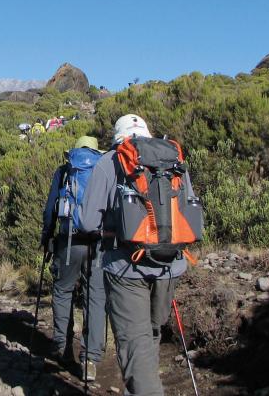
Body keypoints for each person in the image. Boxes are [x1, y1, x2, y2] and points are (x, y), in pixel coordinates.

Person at [79, 114, 194, 396]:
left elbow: (87, 222)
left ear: (117, 137)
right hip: (170, 264)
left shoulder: (109, 161)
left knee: (135, 342)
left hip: (125, 267)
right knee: (151, 333)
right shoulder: (172, 159)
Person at [40, 136, 106, 382]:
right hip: (98, 244)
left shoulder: (65, 171)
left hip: (68, 241)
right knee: (95, 297)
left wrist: (47, 236)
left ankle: (62, 346)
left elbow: (51, 208)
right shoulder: (103, 169)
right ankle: (90, 359)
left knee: (63, 291)